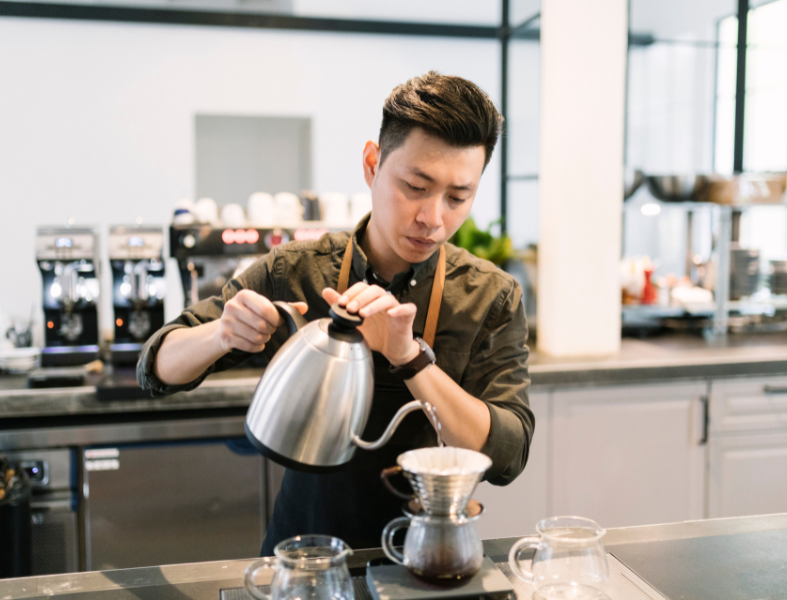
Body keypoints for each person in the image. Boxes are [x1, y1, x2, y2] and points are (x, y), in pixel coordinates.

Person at [137, 71, 534, 555]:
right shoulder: (296, 269)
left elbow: (507, 454)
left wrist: (408, 356)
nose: (433, 218)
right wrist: (222, 333)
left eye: (458, 198)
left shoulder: (490, 296)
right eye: (415, 186)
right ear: (372, 164)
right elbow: (155, 367)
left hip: (428, 560)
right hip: (304, 559)